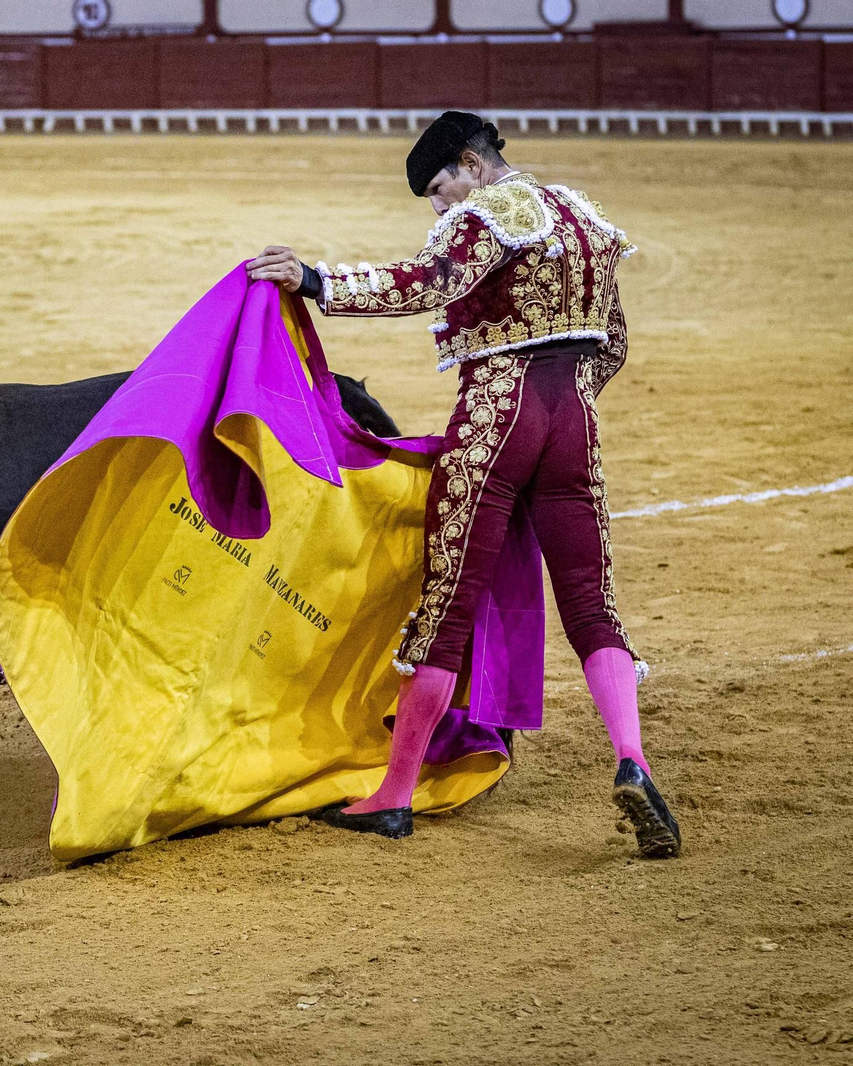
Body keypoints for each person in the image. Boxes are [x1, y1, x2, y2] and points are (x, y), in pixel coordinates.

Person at [246, 110, 680, 858]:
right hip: (573, 417)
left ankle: (393, 795)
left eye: (441, 187)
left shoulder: (486, 215)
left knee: (446, 604)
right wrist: (566, 398)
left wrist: (316, 281)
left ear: (471, 163)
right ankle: (633, 759)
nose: (441, 205)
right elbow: (614, 340)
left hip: (496, 415)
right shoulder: (583, 215)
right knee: (592, 602)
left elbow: (422, 284)